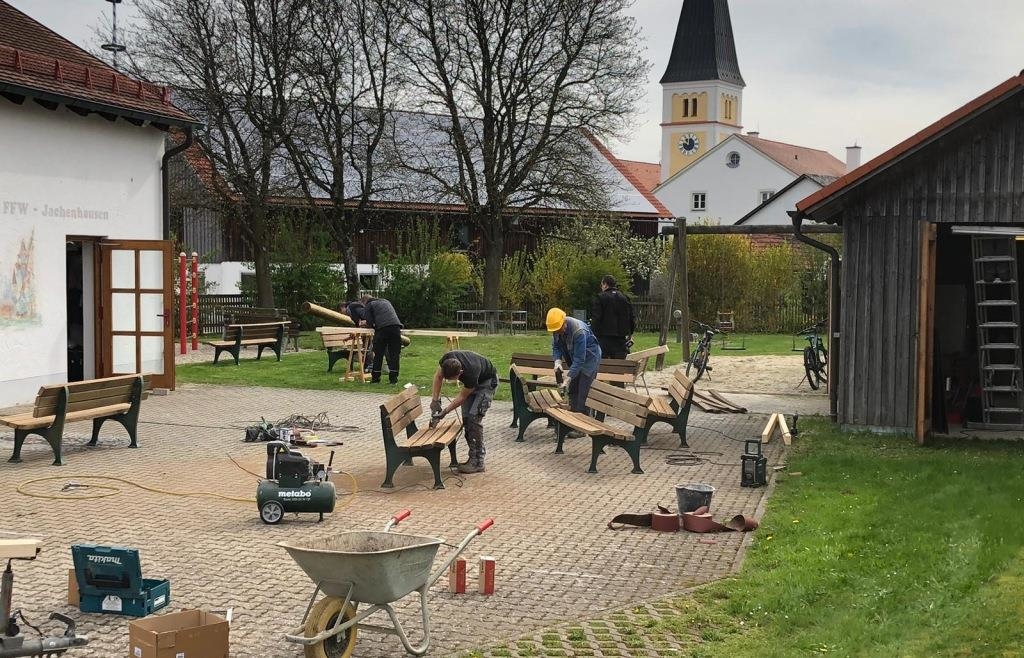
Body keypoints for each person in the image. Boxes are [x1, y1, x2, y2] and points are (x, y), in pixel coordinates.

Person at [430, 350, 498, 474]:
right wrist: (435, 401)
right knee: (466, 419)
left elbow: (462, 397)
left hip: (486, 382)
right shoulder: (446, 359)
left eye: (453, 379)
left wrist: (444, 412)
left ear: (460, 373)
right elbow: (438, 377)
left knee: (473, 419)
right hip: (473, 381)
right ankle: (472, 458)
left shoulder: (471, 373)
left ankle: (478, 462)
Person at [546, 308, 602, 429]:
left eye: (559, 329)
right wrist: (557, 361)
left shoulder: (578, 331)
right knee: (573, 390)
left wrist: (568, 378)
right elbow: (556, 347)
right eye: (555, 331)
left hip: (590, 358)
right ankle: (573, 422)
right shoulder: (556, 329)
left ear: (564, 322)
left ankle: (582, 427)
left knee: (583, 391)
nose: (558, 332)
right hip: (576, 358)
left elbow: (580, 359)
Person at [359, 295, 403, 384]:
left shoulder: (369, 304)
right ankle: (393, 379)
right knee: (394, 354)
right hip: (396, 327)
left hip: (382, 329)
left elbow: (369, 322)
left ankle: (376, 378)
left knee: (378, 354)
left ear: (364, 302)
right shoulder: (386, 301)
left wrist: (365, 324)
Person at [590, 274, 635, 359]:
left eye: (601, 285)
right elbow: (631, 318)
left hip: (604, 339)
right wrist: (630, 333)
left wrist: (593, 333)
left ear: (605, 284)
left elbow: (597, 318)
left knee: (603, 365)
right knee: (619, 364)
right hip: (620, 339)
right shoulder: (625, 298)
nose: (601, 287)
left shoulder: (600, 297)